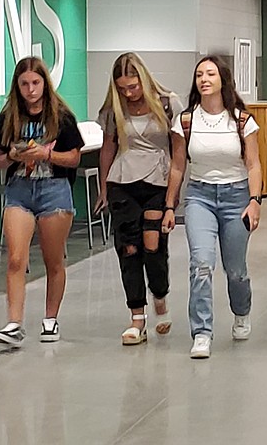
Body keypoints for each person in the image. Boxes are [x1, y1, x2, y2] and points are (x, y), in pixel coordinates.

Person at [0, 57, 84, 347]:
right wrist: (15, 157)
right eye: (24, 84)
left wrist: (46, 155)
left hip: (54, 188)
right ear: (17, 86)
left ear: (45, 83)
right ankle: (14, 323)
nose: (31, 90)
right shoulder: (9, 117)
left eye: (36, 83)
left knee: (53, 259)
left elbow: (74, 157)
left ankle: (50, 319)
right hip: (19, 189)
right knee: (16, 258)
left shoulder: (61, 116)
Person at [170, 55, 262, 359]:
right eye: (199, 74)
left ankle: (241, 311)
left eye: (210, 73)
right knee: (201, 264)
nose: (204, 79)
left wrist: (254, 201)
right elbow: (178, 166)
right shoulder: (185, 120)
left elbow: (253, 164)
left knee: (235, 270)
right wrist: (170, 205)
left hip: (236, 196)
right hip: (200, 196)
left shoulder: (242, 121)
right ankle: (202, 332)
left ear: (223, 78)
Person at [95, 52, 183, 346]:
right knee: (128, 249)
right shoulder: (113, 109)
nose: (129, 92)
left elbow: (179, 153)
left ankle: (160, 295)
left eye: (133, 86)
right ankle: (137, 317)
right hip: (123, 181)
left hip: (157, 181)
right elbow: (108, 148)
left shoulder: (169, 103)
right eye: (122, 88)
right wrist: (103, 188)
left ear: (143, 79)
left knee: (154, 246)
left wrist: (173, 197)